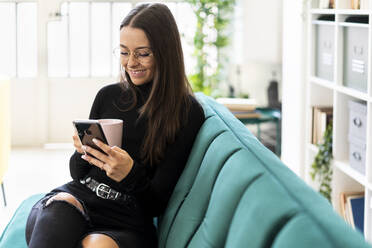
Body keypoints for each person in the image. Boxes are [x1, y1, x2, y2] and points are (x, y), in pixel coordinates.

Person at [25, 3, 205, 248]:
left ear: (165, 52)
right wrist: (83, 152)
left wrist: (129, 174)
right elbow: (79, 174)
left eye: (142, 53)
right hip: (79, 199)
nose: (131, 63)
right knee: (61, 205)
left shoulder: (186, 113)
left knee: (97, 245)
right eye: (123, 52)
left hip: (126, 219)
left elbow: (157, 203)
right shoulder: (107, 96)